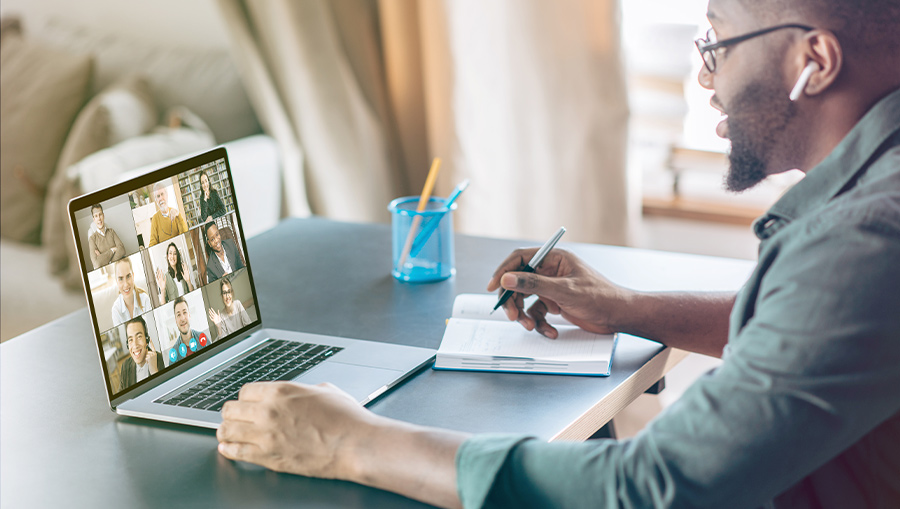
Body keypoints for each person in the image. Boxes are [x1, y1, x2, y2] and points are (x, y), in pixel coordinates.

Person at [216, 1, 900, 507]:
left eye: (718, 43)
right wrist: (627, 308)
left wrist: (352, 441)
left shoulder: (864, 242)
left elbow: (651, 486)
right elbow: (825, 330)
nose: (704, 79)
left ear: (815, 62)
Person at [117, 316, 163, 392]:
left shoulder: (161, 359)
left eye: (139, 337)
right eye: (131, 339)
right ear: (127, 345)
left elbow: (165, 391)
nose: (135, 345)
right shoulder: (125, 366)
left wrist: (154, 371)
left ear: (147, 340)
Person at [111, 257, 153, 328]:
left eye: (128, 276)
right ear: (116, 281)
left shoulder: (144, 299)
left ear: (133, 276)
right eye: (121, 279)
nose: (126, 284)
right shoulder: (116, 310)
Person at [168, 296, 208, 364]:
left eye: (184, 312)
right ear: (176, 320)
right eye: (178, 315)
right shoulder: (174, 353)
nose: (183, 318)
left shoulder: (202, 337)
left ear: (189, 315)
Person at [148, 181, 188, 247]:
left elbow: (185, 234)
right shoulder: (155, 219)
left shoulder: (176, 213)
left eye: (162, 194)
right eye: (158, 196)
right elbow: (153, 242)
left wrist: (178, 215)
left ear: (166, 195)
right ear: (156, 200)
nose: (161, 198)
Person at [88, 203, 126, 270]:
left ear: (103, 215)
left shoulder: (111, 231)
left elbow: (122, 250)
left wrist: (107, 260)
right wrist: (112, 250)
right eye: (96, 216)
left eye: (100, 215)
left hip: (120, 267)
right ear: (94, 219)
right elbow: (97, 263)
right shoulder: (92, 239)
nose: (99, 218)